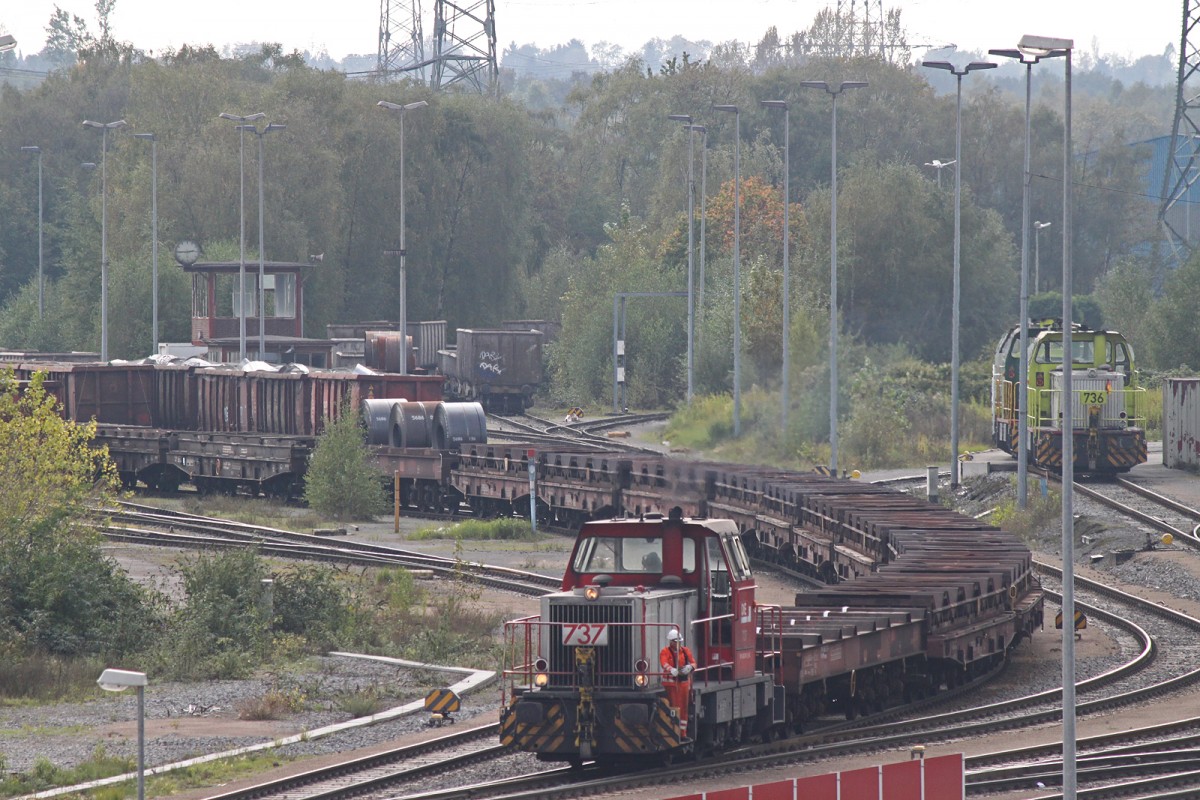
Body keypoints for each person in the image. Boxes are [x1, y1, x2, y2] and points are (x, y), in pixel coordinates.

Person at [659, 628, 696, 735]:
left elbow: (694, 662)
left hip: (683, 683)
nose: (679, 643)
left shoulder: (685, 651)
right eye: (677, 642)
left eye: (680, 641)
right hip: (671, 684)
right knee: (674, 706)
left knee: (684, 708)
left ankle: (682, 733)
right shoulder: (665, 651)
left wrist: (690, 667)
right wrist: (671, 669)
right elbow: (663, 663)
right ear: (671, 642)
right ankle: (674, 731)